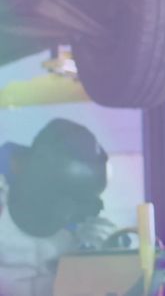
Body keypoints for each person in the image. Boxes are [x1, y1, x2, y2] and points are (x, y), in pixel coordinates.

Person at [0, 118, 112, 296]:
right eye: (58, 194)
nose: (65, 212)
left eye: (77, 200)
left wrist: (105, 256)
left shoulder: (86, 229)